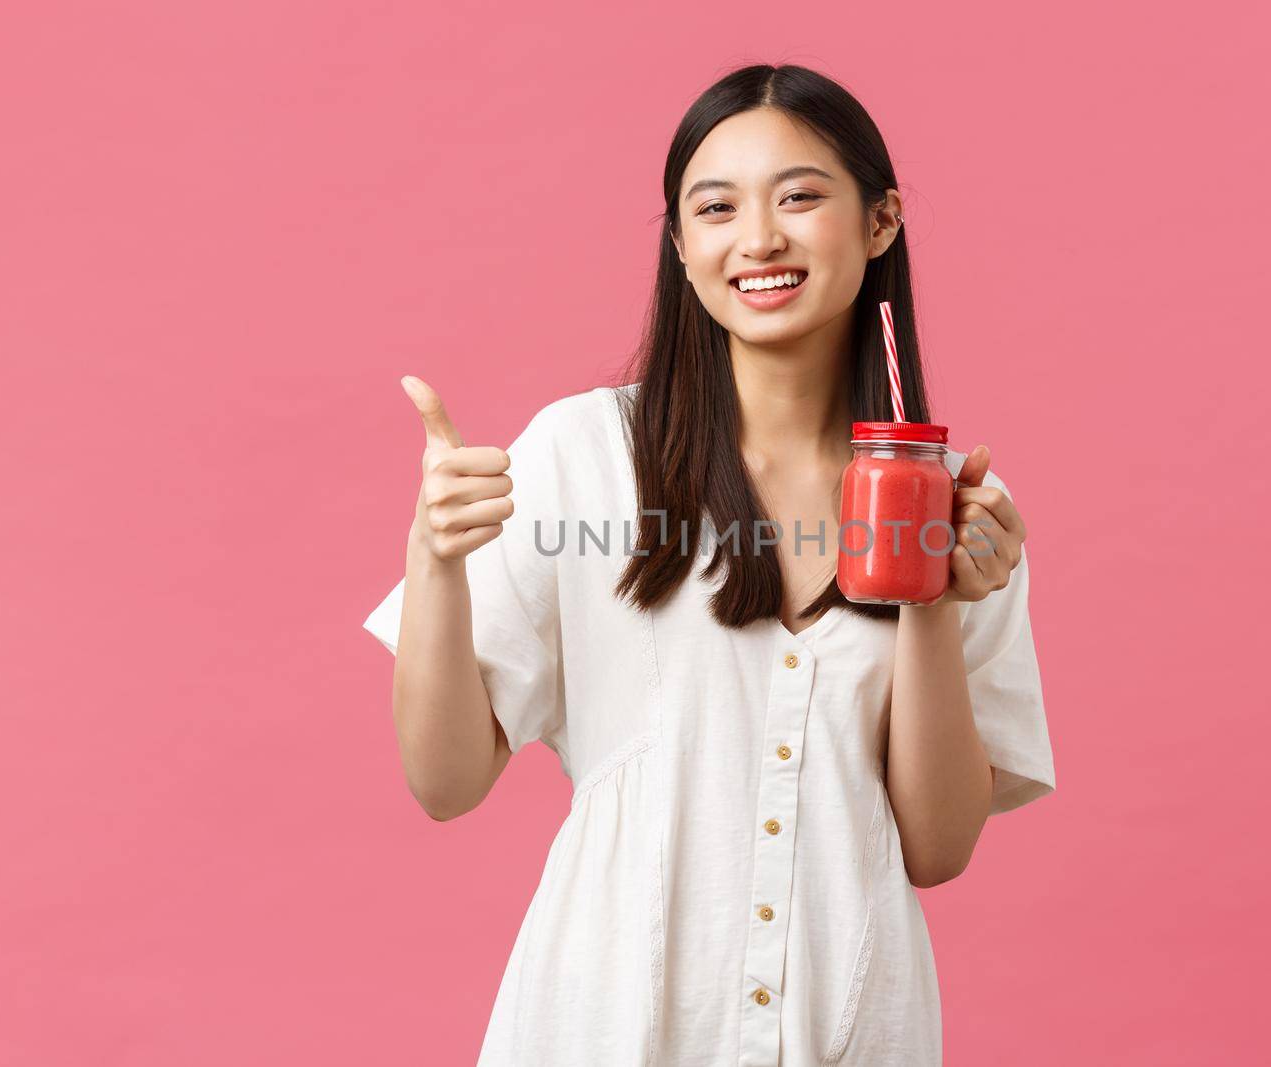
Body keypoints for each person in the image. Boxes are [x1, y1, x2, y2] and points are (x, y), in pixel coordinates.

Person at [362, 63, 1055, 1066]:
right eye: (716, 207)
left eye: (801, 196)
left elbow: (936, 848)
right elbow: (444, 779)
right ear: (682, 248)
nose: (759, 237)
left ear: (880, 220)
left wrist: (934, 600)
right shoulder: (583, 453)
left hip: (850, 1026)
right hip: (604, 1020)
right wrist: (434, 558)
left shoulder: (952, 500)